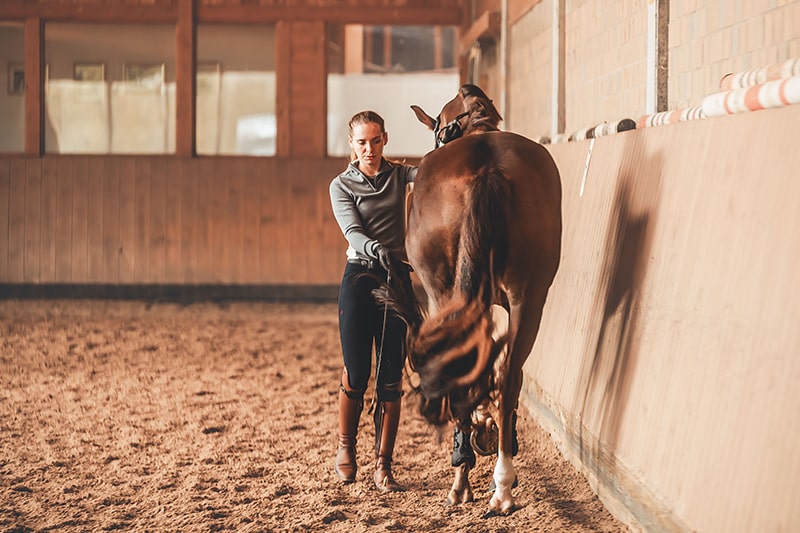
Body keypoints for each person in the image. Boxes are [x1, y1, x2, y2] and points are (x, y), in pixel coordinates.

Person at [329, 110, 416, 492]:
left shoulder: (399, 175)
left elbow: (432, 173)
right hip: (360, 277)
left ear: (385, 140)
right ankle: (346, 448)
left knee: (391, 373)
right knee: (357, 369)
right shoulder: (340, 185)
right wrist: (376, 248)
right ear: (351, 143)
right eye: (362, 142)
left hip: (395, 277)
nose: (369, 149)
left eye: (376, 141)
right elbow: (352, 230)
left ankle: (384, 463)